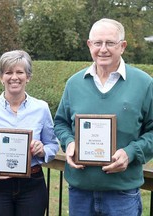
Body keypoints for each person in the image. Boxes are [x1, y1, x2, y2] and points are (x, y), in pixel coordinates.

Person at [54, 18, 153, 216]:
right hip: (79, 192)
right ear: (89, 45)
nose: (103, 49)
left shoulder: (144, 83)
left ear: (122, 46)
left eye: (110, 43)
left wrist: (130, 152)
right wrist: (69, 142)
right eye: (98, 43)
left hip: (122, 193)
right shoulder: (74, 83)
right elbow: (61, 123)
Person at [0, 50, 59, 216]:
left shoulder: (41, 108)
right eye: (8, 72)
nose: (14, 77)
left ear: (28, 76)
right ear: (0, 77)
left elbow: (52, 144)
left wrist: (43, 150)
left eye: (20, 72)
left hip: (32, 185)